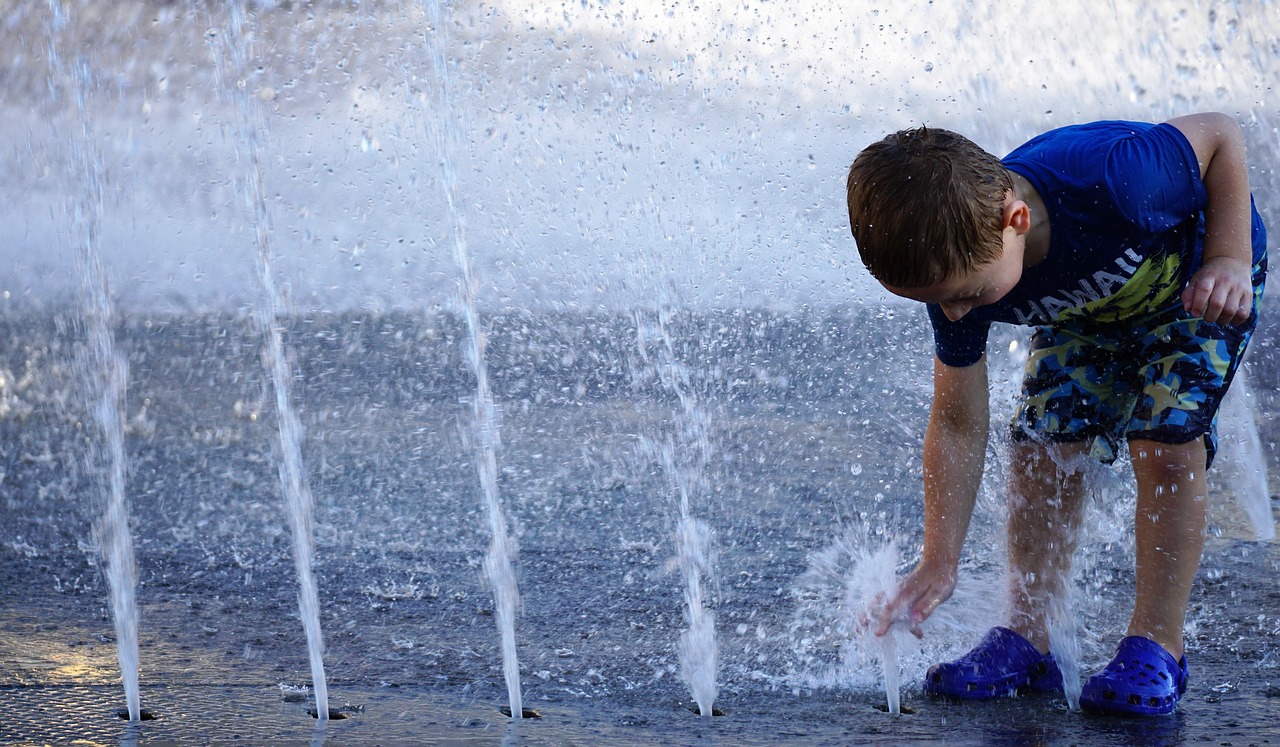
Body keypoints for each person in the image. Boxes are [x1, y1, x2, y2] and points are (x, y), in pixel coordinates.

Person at [844, 112, 1267, 716]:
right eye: (939, 302)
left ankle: (1157, 646)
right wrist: (939, 555)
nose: (958, 314)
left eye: (969, 294)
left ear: (1015, 220)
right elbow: (958, 421)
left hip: (1194, 285)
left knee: (1165, 446)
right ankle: (1029, 637)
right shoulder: (956, 271)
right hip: (1088, 312)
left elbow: (1221, 137)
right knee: (1040, 447)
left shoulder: (1121, 182)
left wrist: (1227, 255)